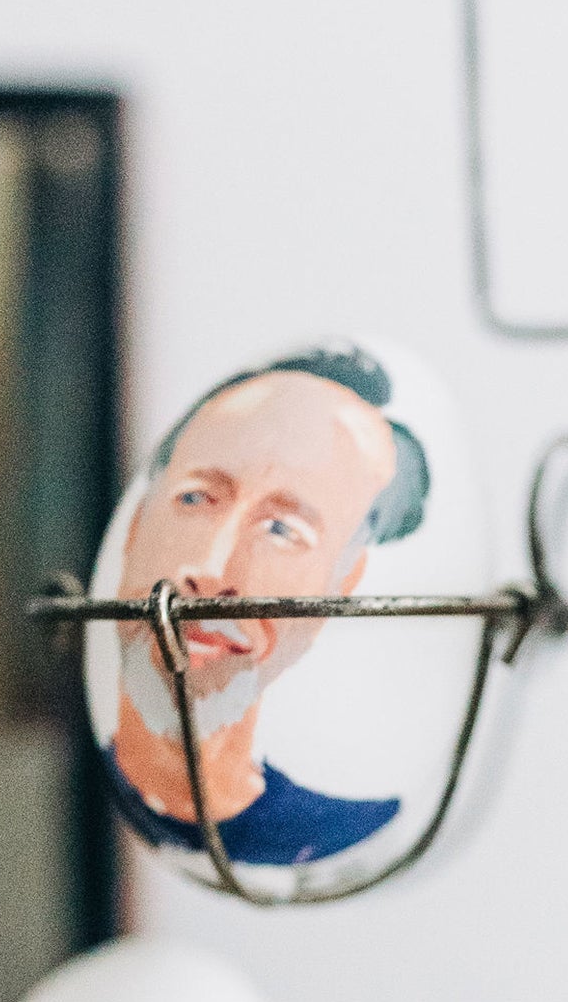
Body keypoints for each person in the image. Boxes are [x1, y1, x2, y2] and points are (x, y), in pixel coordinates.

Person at [106, 343, 431, 868]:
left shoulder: (346, 831)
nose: (213, 570)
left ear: (342, 585)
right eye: (195, 498)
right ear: (136, 526)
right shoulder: (56, 780)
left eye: (282, 530)